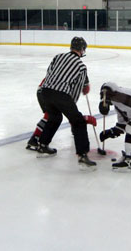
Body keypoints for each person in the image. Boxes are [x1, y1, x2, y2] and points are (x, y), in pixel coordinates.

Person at [36, 36, 97, 170]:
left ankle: (42, 145)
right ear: (82, 49)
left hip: (45, 91)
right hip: (61, 94)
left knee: (55, 117)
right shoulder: (81, 66)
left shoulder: (58, 56)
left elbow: (49, 73)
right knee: (78, 121)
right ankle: (82, 155)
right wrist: (71, 107)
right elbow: (76, 89)